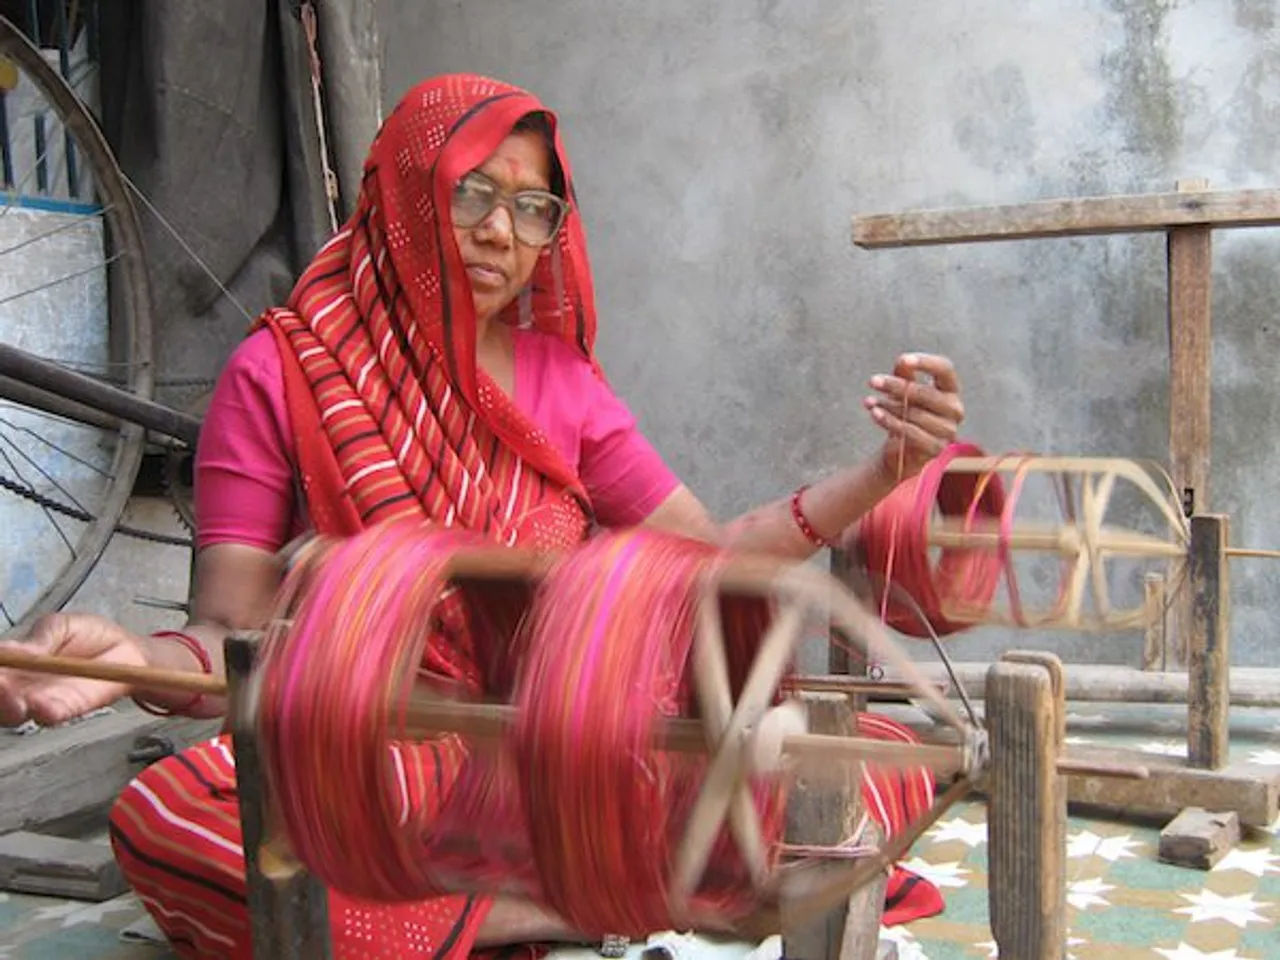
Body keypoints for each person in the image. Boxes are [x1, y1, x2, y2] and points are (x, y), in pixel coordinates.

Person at [0, 74, 965, 959]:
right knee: (176, 821)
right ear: (405, 189)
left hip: (567, 755)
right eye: (473, 191)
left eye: (533, 206)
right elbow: (234, 639)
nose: (503, 230)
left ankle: (486, 902)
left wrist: (883, 471)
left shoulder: (564, 384)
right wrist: (128, 662)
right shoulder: (285, 373)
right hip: (385, 763)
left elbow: (707, 556)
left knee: (855, 763)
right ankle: (604, 902)